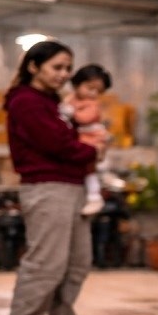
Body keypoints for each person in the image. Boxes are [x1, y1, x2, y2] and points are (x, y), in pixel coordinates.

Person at [0, 40, 106, 315]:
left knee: (77, 259)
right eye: (57, 67)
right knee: (47, 257)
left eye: (68, 68)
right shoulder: (26, 100)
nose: (64, 74)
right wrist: (92, 151)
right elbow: (56, 144)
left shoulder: (51, 101)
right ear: (34, 67)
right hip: (47, 186)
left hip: (73, 185)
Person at [60, 64, 113, 217]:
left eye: (98, 91)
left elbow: (85, 118)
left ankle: (94, 196)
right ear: (77, 84)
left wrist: (72, 113)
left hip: (91, 138)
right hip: (81, 138)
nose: (93, 93)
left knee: (90, 169)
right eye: (90, 88)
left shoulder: (92, 104)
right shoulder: (70, 99)